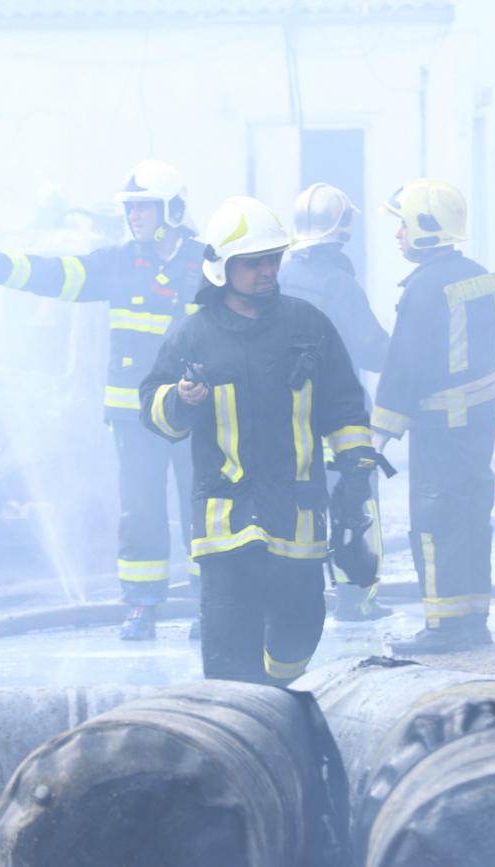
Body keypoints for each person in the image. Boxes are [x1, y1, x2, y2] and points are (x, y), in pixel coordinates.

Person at [0, 160, 203, 640]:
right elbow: (60, 275)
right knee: (140, 510)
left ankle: (210, 601)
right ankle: (142, 605)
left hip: (196, 410)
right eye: (130, 208)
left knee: (204, 506)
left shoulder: (206, 262)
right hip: (136, 417)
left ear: (171, 210)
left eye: (143, 208)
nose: (134, 217)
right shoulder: (116, 263)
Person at [139, 196, 378, 685]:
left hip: (298, 515)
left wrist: (355, 474)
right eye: (254, 262)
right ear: (223, 268)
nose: (268, 270)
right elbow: (154, 413)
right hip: (227, 524)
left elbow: (345, 405)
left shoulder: (307, 326)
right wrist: (181, 400)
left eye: (274, 259)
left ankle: (279, 703)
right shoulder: (194, 337)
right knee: (229, 661)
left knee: (299, 635)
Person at [371, 179, 495, 654]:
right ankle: (473, 619)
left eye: (403, 224)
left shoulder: (423, 290)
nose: (398, 235)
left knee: (435, 520)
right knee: (471, 517)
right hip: (478, 426)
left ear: (428, 228)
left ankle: (444, 627)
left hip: (439, 430)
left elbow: (404, 367)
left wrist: (379, 435)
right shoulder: (482, 276)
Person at [280, 182, 392, 622]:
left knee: (295, 504)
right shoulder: (339, 284)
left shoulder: (279, 273)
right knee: (354, 499)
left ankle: (295, 596)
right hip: (338, 412)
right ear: (342, 232)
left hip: (286, 414)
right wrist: (407, 353)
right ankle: (356, 598)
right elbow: (370, 348)